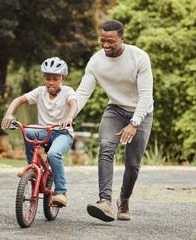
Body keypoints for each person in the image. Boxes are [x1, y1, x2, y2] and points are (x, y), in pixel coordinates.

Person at [75, 20, 154, 221]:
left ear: (122, 39)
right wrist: (68, 116)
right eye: (102, 40)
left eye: (111, 41)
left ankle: (124, 199)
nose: (106, 45)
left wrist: (134, 123)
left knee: (133, 163)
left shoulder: (139, 57)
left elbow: (145, 96)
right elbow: (82, 94)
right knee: (105, 147)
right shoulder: (95, 62)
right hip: (115, 109)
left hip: (141, 113)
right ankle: (105, 202)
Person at [1, 57, 78, 207]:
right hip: (44, 131)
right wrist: (9, 114)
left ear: (63, 78)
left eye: (55, 79)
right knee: (28, 130)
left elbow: (73, 104)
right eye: (48, 78)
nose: (51, 82)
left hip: (62, 133)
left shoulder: (68, 91)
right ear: (43, 77)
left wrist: (69, 117)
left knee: (53, 154)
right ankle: (33, 168)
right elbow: (19, 100)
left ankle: (61, 192)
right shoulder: (40, 92)